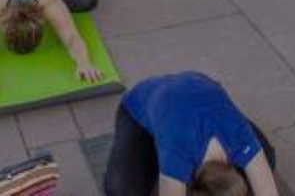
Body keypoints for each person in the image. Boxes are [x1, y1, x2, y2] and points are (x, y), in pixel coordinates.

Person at [102, 71, 280, 196]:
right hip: (140, 105)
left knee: (266, 162)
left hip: (199, 90)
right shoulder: (177, 157)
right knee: (120, 189)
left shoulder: (241, 139)